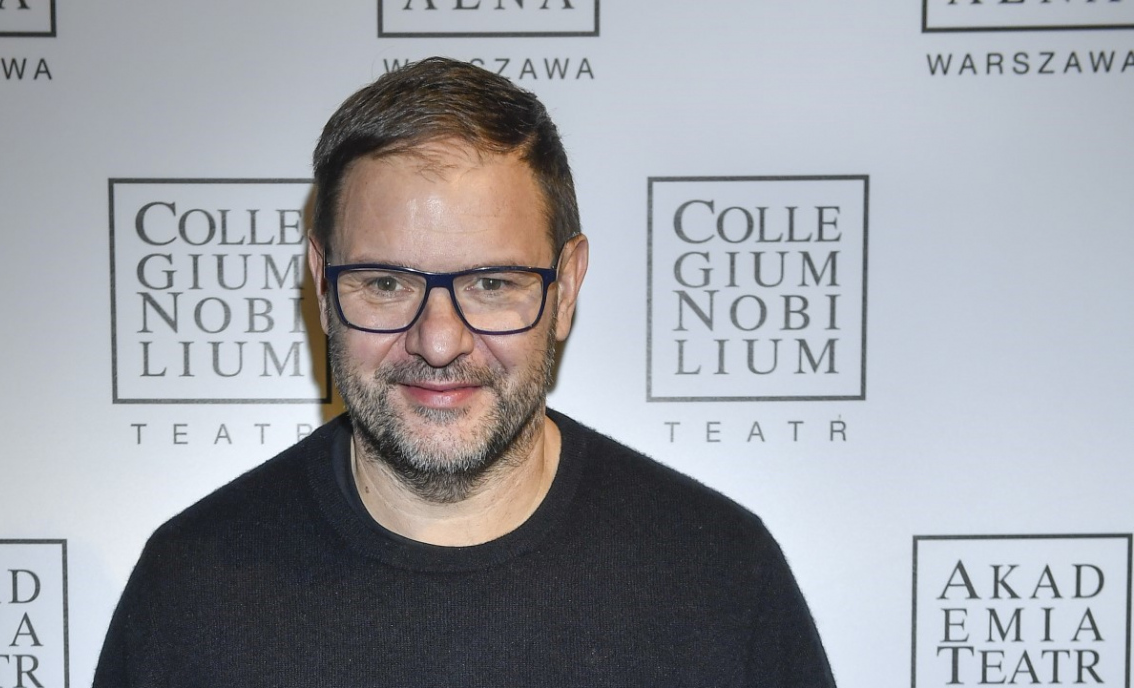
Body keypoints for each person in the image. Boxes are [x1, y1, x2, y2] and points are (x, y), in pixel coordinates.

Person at [93, 57, 837, 687]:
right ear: (322, 284)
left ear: (565, 289)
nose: (440, 342)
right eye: (385, 283)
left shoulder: (719, 576)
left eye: (491, 283)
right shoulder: (191, 589)